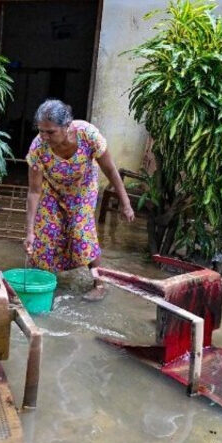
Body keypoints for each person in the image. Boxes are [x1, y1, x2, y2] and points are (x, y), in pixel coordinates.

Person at [24, 99, 134, 301]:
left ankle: (99, 282)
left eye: (50, 132)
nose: (44, 136)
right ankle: (43, 280)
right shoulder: (38, 147)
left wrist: (125, 202)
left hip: (83, 189)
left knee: (81, 232)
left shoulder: (88, 135)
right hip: (52, 190)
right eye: (41, 131)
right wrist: (30, 231)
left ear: (67, 126)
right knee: (46, 234)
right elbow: (34, 191)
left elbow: (110, 171)